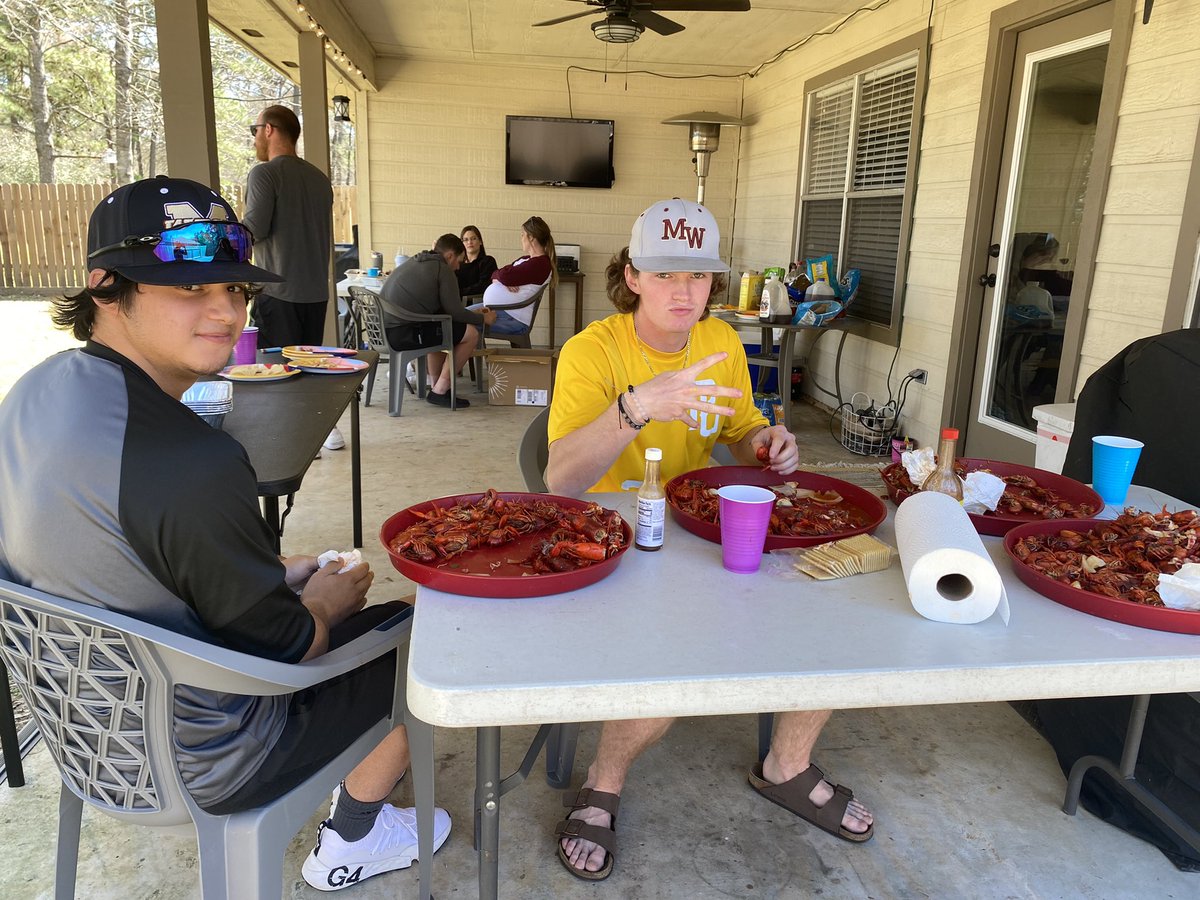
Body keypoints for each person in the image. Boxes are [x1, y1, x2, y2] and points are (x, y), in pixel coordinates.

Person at [0, 176, 451, 893]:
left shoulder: (34, 392)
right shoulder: (191, 461)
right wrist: (328, 601)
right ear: (105, 286)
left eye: (236, 291)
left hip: (82, 729)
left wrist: (268, 572)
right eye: (190, 289)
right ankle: (356, 834)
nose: (225, 311)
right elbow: (290, 646)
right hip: (205, 759)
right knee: (409, 634)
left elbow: (126, 550)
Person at [544, 198, 874, 881]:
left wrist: (768, 443)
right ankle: (603, 784)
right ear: (633, 276)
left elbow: (740, 426)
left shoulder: (722, 342)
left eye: (697, 276)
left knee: (832, 620)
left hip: (703, 526)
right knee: (674, 666)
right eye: (666, 273)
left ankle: (786, 765)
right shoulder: (593, 349)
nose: (684, 290)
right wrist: (640, 406)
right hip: (615, 538)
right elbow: (560, 481)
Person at [242, 104, 344, 451]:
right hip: (315, 292)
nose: (255, 136)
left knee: (278, 372)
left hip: (278, 291)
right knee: (310, 367)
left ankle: (288, 441)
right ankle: (320, 431)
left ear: (269, 130)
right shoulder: (319, 180)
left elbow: (252, 229)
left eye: (255, 129)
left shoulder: (264, 174)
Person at [379, 233, 496, 409]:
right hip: (402, 334)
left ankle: (437, 387)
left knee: (443, 327)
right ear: (449, 256)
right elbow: (455, 313)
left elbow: (447, 311)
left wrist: (470, 312)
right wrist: (483, 318)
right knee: (471, 334)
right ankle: (440, 390)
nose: (458, 267)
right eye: (459, 260)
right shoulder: (443, 269)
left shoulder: (416, 262)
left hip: (385, 332)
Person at [468, 216, 556, 337]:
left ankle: (461, 356)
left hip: (514, 319)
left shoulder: (540, 264)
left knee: (462, 321)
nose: (521, 239)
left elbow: (504, 274)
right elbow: (496, 273)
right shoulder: (526, 260)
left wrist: (502, 278)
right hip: (501, 311)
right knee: (460, 315)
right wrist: (502, 279)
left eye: (522, 235)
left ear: (530, 237)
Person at [456, 225, 497, 297]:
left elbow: (483, 286)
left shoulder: (488, 261)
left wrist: (459, 292)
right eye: (465, 240)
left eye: (473, 238)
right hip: (457, 303)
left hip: (479, 303)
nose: (469, 242)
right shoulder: (457, 264)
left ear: (480, 241)